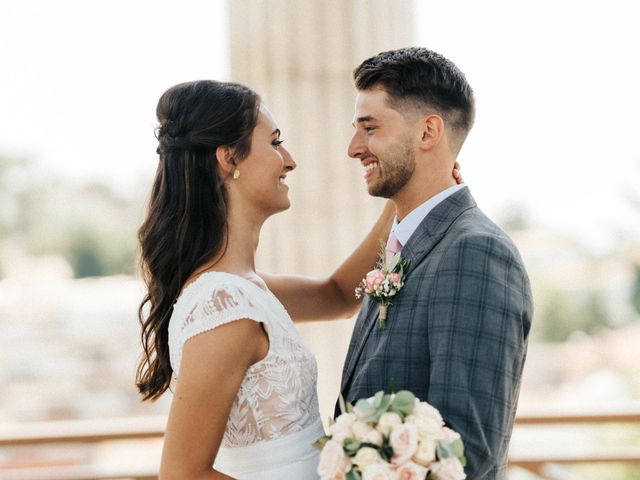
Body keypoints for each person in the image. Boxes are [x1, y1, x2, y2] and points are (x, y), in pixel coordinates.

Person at [136, 80, 462, 479]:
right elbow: (182, 475)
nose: (288, 160)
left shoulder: (245, 289)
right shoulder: (223, 307)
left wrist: (410, 195)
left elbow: (339, 295)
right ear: (228, 159)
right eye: (274, 142)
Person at [337, 47, 533, 480]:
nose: (353, 148)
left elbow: (465, 454)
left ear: (428, 132)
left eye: (369, 129)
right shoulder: (405, 244)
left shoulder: (476, 253)